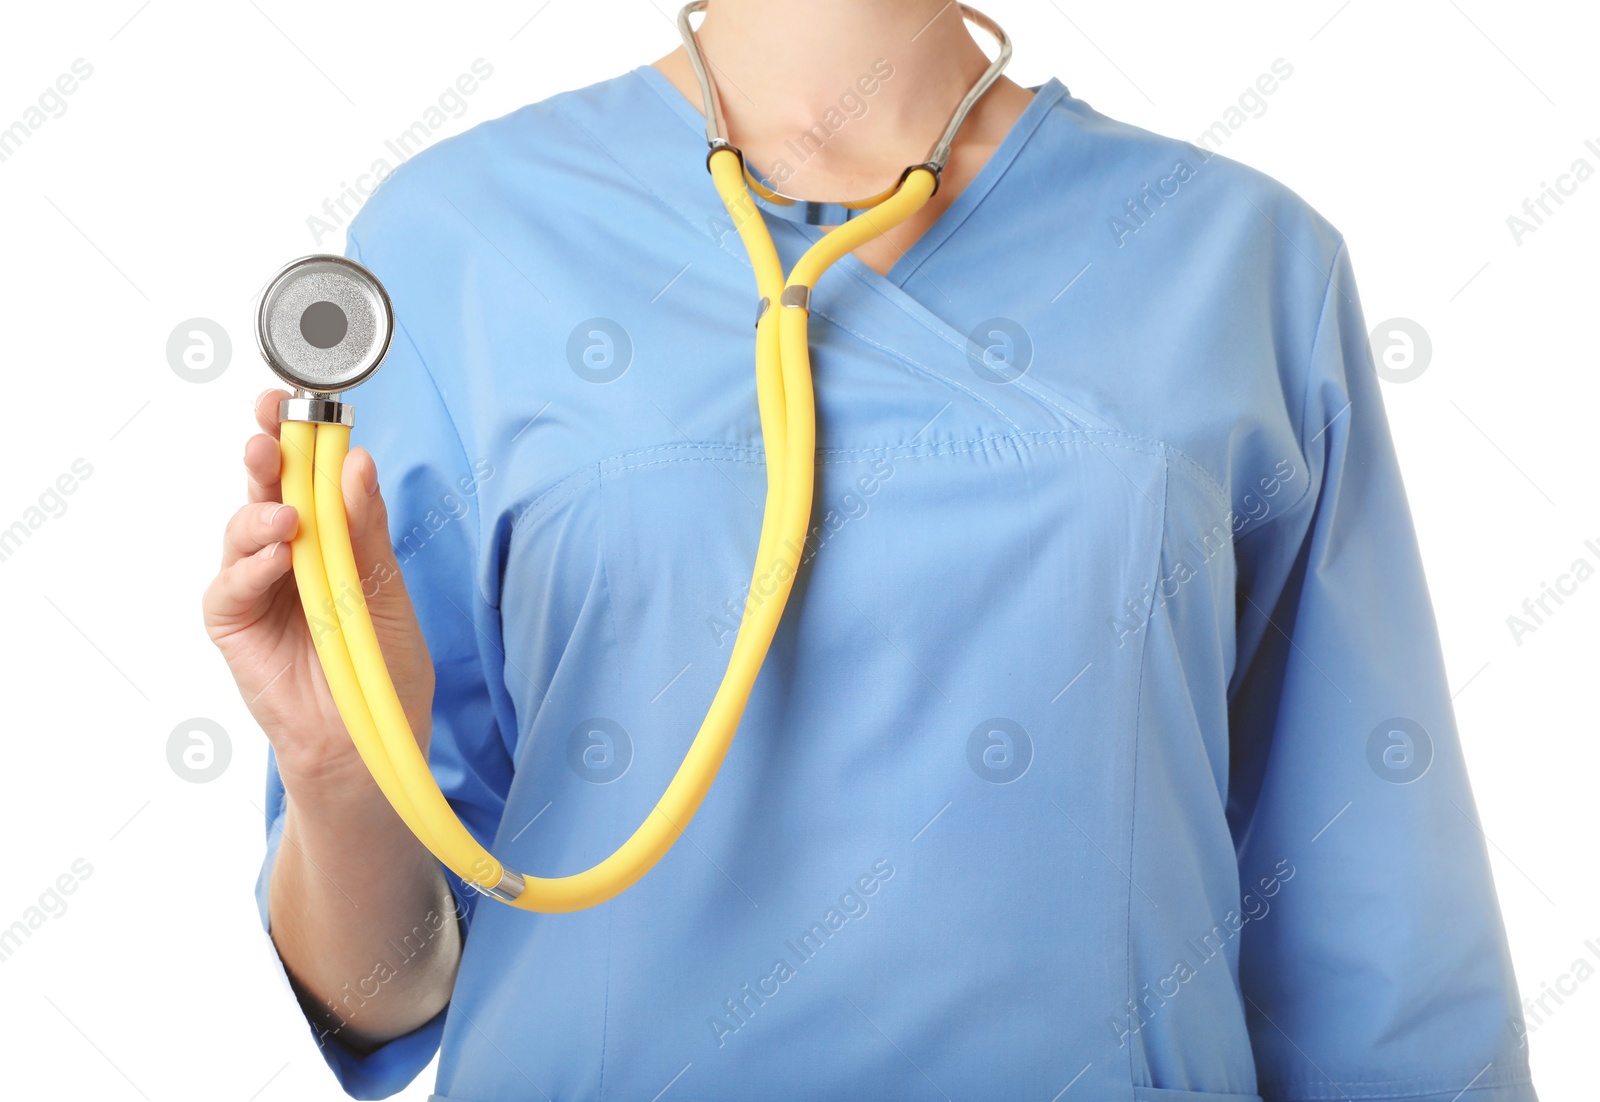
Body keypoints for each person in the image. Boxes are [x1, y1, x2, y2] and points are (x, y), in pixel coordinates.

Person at [202, 2, 1541, 1099]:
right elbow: (386, 992)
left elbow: (1381, 953)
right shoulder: (459, 240)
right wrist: (333, 768)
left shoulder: (1242, 260)